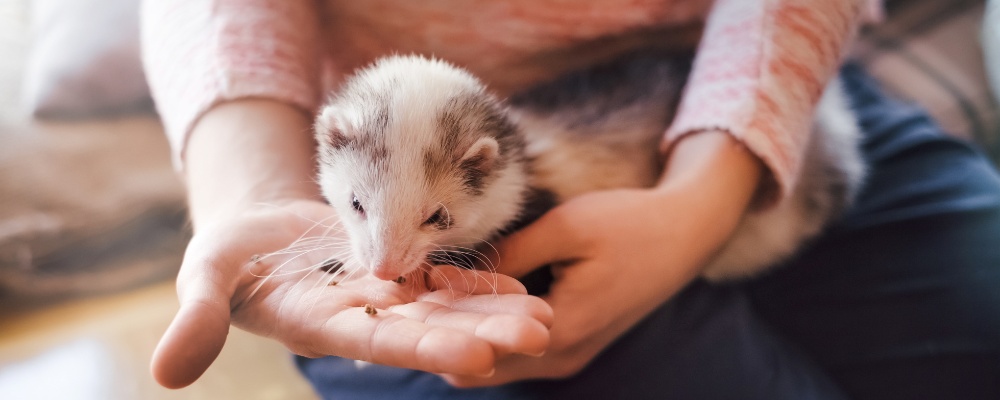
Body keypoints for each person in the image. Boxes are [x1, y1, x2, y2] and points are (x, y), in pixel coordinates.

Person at [140, 0, 1000, 398]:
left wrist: (699, 205)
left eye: (434, 223)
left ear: (478, 181)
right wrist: (249, 189)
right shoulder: (381, 186)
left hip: (764, 91)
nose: (384, 261)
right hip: (425, 127)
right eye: (362, 217)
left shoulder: (485, 179)